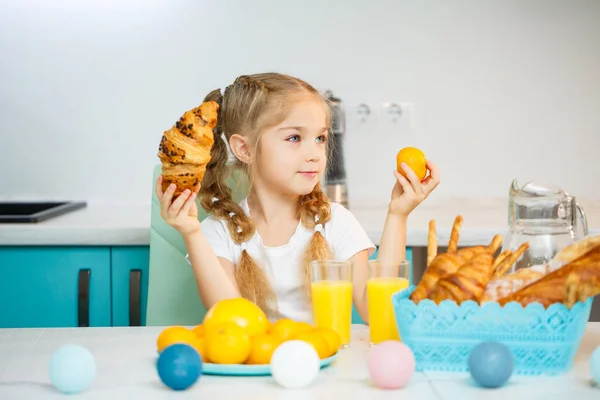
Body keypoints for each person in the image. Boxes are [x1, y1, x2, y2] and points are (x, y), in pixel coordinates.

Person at [156, 72, 440, 323]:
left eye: (320, 138)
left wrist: (398, 214)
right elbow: (230, 317)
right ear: (244, 149)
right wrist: (191, 232)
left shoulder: (335, 223)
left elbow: (376, 312)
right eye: (294, 138)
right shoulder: (219, 232)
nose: (315, 153)